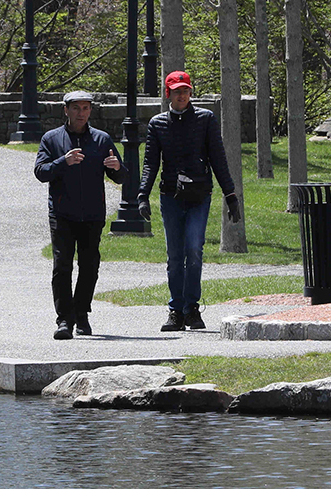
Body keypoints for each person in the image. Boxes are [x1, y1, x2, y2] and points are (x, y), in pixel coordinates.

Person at [136, 71, 239, 332]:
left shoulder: (205, 119)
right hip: (171, 195)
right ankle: (176, 311)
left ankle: (191, 308)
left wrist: (231, 196)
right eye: (177, 91)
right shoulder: (158, 123)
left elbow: (218, 158)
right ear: (168, 94)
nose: (182, 95)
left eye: (186, 90)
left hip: (199, 194)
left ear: (190, 93)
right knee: (174, 255)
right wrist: (142, 195)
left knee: (193, 250)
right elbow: (150, 163)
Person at [34, 90, 126, 340]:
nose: (81, 113)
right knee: (62, 266)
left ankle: (81, 312)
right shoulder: (51, 139)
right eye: (76, 108)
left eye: (85, 109)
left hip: (92, 214)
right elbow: (41, 172)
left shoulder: (101, 139)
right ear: (66, 110)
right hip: (62, 213)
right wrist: (62, 162)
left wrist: (118, 168)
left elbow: (120, 175)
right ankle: (64, 319)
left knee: (89, 266)